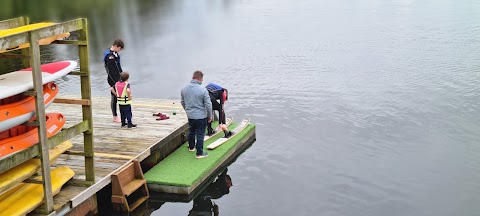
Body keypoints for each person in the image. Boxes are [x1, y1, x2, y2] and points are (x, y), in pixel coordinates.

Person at [181, 71, 212, 159]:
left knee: (191, 131)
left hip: (190, 116)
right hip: (201, 116)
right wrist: (210, 115)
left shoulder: (184, 89)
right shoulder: (203, 90)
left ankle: (191, 147)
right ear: (200, 79)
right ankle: (199, 153)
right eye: (202, 79)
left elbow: (183, 102)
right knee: (200, 134)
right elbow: (208, 104)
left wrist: (187, 111)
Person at [104, 38, 124, 123]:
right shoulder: (110, 56)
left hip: (118, 77)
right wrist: (115, 83)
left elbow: (118, 67)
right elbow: (111, 71)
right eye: (119, 49)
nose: (120, 51)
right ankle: (115, 116)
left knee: (121, 96)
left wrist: (122, 76)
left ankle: (122, 114)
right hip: (113, 79)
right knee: (114, 97)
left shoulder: (114, 54)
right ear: (116, 46)